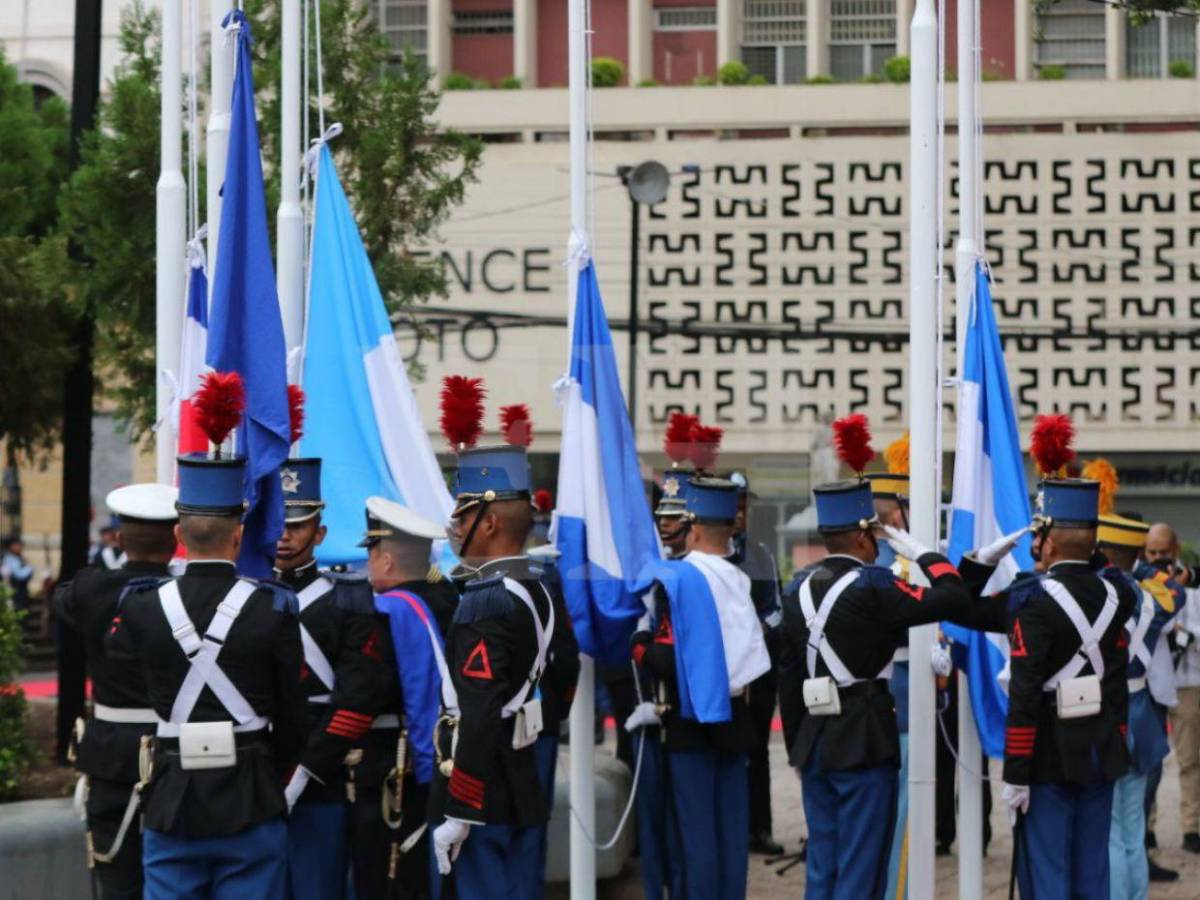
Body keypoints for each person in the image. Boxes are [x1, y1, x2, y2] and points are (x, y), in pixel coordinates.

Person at [105, 452, 308, 900]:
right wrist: (270, 774)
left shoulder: (140, 606)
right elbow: (294, 718)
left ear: (178, 534)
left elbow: (127, 678)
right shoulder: (272, 607)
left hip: (172, 792)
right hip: (251, 790)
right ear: (239, 536)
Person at [778, 478, 976, 899]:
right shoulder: (874, 586)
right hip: (864, 738)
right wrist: (923, 554)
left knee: (822, 869)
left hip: (815, 739)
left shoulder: (796, 590)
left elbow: (788, 676)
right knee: (861, 870)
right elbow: (954, 597)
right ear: (866, 536)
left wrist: (798, 745)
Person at [957, 477, 1139, 900]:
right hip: (1100, 751)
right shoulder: (1120, 594)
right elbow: (1107, 570)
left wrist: (980, 563)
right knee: (1092, 874)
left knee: (1047, 876)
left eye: (1039, 536)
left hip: (1045, 758)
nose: (1033, 544)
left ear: (1049, 544)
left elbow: (961, 606)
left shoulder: (1029, 599)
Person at [428, 439, 563, 899]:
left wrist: (460, 810)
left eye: (462, 518)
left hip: (482, 789)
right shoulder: (535, 587)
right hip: (518, 775)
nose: (454, 528)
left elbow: (480, 712)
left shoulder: (484, 603)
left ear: (487, 522)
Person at [633, 475, 771, 900]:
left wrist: (639, 646)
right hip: (736, 717)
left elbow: (671, 658)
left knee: (694, 841)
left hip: (690, 721)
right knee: (729, 835)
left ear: (692, 528)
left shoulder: (681, 579)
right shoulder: (739, 579)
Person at [271, 458, 394, 900]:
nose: (285, 535)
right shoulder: (245, 598)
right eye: (278, 523)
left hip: (321, 772)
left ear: (319, 534)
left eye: (298, 526)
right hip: (253, 774)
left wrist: (303, 772)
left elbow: (358, 697)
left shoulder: (349, 603)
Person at [53, 483, 177, 899]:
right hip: (174, 750)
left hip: (111, 749)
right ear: (175, 541)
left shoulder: (91, 589)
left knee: (114, 871)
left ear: (120, 540)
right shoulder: (187, 595)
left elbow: (64, 602)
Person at [356, 496, 459, 900]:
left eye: (370, 556)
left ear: (385, 561)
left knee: (387, 874)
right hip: (443, 756)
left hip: (397, 761)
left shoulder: (391, 609)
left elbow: (397, 689)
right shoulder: (448, 597)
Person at [1096, 513, 1185, 899]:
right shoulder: (1154, 594)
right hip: (1141, 709)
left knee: (1112, 831)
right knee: (1132, 829)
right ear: (1136, 554)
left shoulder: (1094, 591)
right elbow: (1176, 589)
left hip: (1107, 710)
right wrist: (1140, 565)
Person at [728, 472, 784, 856]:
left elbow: (776, 609)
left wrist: (756, 633)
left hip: (759, 668)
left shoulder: (761, 553)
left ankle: (759, 828)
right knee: (727, 751)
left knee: (758, 749)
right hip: (726, 670)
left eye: (746, 506)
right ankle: (731, 829)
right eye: (736, 506)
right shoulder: (714, 555)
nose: (741, 514)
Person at [1149, 521, 1200, 855]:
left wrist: (1184, 632)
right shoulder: (1140, 585)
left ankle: (1192, 827)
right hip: (1151, 683)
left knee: (1190, 759)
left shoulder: (1193, 589)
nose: (1157, 559)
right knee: (1147, 762)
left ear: (1175, 551)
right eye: (1151, 552)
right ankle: (1145, 826)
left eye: (1163, 553)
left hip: (1187, 682)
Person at [2, 535, 34, 610]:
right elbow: (20, 576)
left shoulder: (17, 558)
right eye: (17, 545)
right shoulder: (10, 559)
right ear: (10, 546)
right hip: (15, 593)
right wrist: (30, 567)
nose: (20, 547)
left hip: (20, 593)